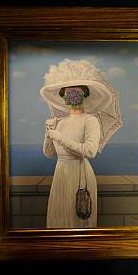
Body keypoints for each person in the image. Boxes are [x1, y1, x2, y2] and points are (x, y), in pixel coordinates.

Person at [43, 85, 101, 228]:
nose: (72, 94)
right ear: (63, 97)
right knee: (59, 216)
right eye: (68, 92)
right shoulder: (60, 122)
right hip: (61, 173)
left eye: (77, 91)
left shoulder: (90, 120)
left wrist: (59, 137)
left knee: (79, 217)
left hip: (80, 173)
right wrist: (48, 133)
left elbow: (90, 151)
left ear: (85, 95)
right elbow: (49, 153)